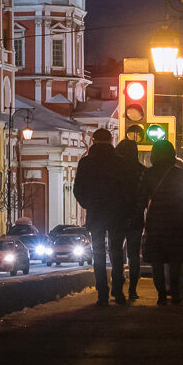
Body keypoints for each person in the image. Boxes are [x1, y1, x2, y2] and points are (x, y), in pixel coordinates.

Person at [73, 127, 127, 306]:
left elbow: (78, 189)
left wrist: (89, 204)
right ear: (112, 141)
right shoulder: (120, 163)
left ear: (93, 141)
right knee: (117, 252)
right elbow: (127, 190)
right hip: (117, 214)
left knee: (98, 253)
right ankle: (118, 292)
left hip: (95, 214)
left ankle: (102, 293)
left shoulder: (86, 163)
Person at [141, 139, 183, 305]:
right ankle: (176, 294)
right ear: (172, 155)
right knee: (175, 260)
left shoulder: (148, 174)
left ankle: (161, 295)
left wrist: (139, 221)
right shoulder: (178, 175)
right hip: (176, 222)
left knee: (157, 261)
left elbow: (141, 200)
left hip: (155, 221)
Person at [114, 138, 147, 301]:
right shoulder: (141, 170)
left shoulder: (114, 171)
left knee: (116, 253)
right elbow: (144, 197)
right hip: (135, 218)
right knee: (134, 255)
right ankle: (132, 289)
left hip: (116, 218)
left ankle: (117, 287)